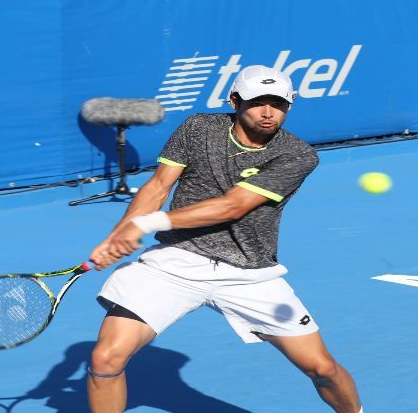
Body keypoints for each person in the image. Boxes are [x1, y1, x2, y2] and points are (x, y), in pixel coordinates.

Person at [85, 65, 363, 413]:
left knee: (322, 369)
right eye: (257, 102)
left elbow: (233, 206)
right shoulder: (197, 127)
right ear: (234, 101)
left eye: (278, 104)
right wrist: (117, 236)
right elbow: (157, 186)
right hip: (175, 262)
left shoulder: (297, 155)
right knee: (106, 358)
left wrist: (144, 224)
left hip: (249, 274)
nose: (268, 112)